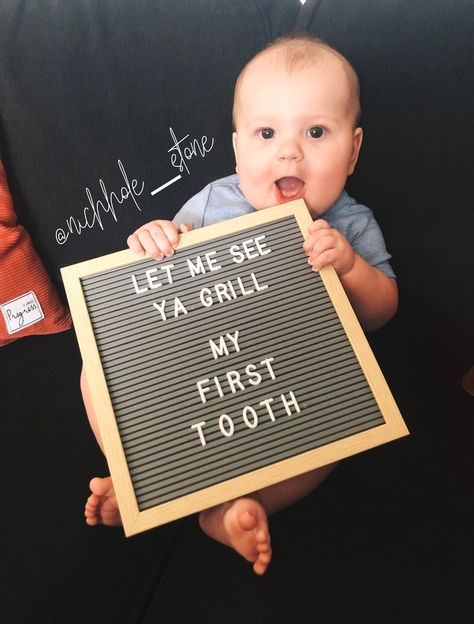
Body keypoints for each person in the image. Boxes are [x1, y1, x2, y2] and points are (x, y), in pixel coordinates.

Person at [81, 35, 398, 575]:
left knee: (339, 428)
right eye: (267, 133)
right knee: (95, 371)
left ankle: (230, 512)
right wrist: (157, 237)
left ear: (354, 150)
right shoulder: (212, 204)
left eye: (316, 132)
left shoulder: (350, 224)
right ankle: (139, 474)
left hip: (288, 383)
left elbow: (383, 311)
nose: (289, 151)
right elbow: (160, 272)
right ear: (237, 148)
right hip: (196, 370)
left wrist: (350, 268)